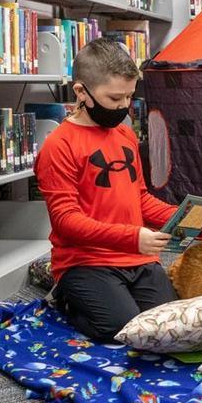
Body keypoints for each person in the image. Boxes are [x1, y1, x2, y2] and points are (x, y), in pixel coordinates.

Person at [34, 38, 179, 343]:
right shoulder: (58, 146)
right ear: (81, 92)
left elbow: (138, 197)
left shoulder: (125, 134)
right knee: (122, 332)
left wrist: (181, 217)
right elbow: (66, 221)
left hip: (136, 258)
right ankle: (65, 297)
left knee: (168, 326)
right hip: (85, 261)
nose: (124, 107)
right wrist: (132, 237)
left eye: (129, 97)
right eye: (115, 99)